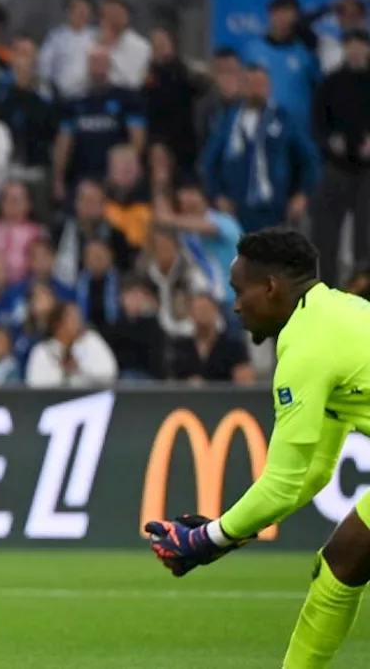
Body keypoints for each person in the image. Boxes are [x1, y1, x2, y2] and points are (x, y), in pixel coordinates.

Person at [145, 228, 370, 668]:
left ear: (270, 288)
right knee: (344, 560)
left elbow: (283, 485)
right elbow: (314, 471)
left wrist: (206, 539)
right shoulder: (337, 313)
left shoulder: (307, 349)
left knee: (347, 556)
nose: (234, 305)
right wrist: (225, 535)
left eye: (238, 290)